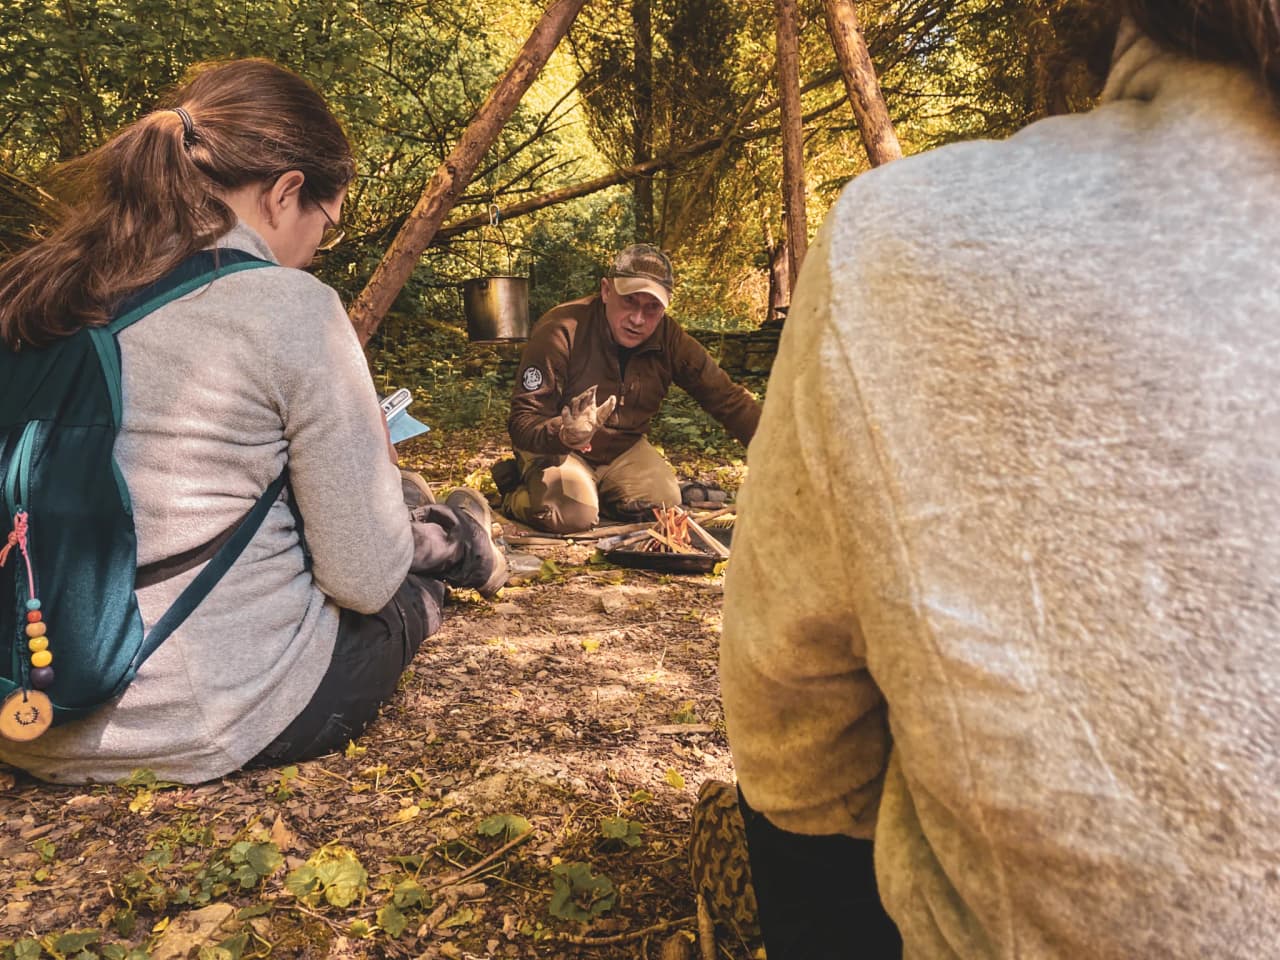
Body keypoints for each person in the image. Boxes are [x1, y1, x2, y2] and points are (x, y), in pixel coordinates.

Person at [720, 2, 1280, 958]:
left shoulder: (905, 240)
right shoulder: (571, 333)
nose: (644, 318)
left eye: (653, 307)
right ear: (611, 298)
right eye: (633, 304)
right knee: (572, 479)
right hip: (577, 450)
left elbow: (790, 753)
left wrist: (792, 433)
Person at [0, 58, 505, 785]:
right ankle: (456, 543)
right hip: (195, 716)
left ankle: (443, 526)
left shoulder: (38, 285)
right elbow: (360, 579)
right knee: (401, 597)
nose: (314, 251)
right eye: (324, 229)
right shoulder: (289, 307)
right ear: (286, 192)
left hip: (23, 702)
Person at [498, 244, 761, 533]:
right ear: (606, 290)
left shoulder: (670, 339)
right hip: (557, 448)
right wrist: (563, 432)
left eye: (652, 308)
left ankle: (600, 495)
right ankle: (515, 492)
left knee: (663, 508)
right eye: (629, 302)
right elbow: (522, 421)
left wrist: (774, 450)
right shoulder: (562, 327)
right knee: (569, 515)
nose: (638, 319)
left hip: (622, 448)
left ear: (666, 306)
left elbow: (727, 399)